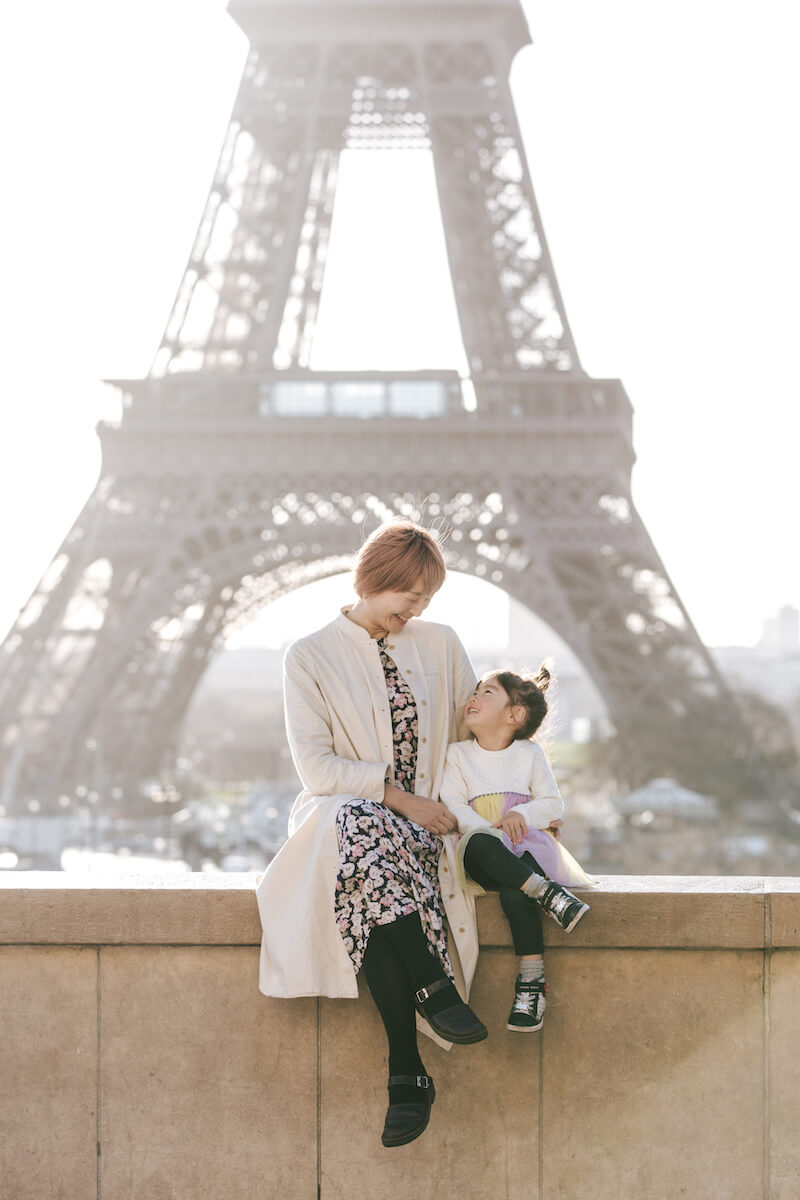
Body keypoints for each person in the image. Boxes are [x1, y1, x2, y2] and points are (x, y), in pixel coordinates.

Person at [256, 521, 487, 1149]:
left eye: (425, 601)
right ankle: (428, 997)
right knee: (362, 831)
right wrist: (400, 799)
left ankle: (407, 1072)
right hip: (348, 822)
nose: (414, 612)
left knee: (374, 885)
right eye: (406, 597)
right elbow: (317, 770)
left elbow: (475, 737)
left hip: (423, 831)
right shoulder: (308, 656)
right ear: (370, 580)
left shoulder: (439, 644)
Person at [440, 666, 593, 1034]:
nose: (473, 697)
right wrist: (486, 829)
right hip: (483, 849)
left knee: (515, 894)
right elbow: (453, 803)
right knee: (481, 844)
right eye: (475, 691)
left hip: (524, 848)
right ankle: (548, 895)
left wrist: (519, 813)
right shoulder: (458, 755)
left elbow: (552, 804)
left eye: (487, 692)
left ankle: (532, 984)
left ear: (515, 715)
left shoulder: (530, 755)